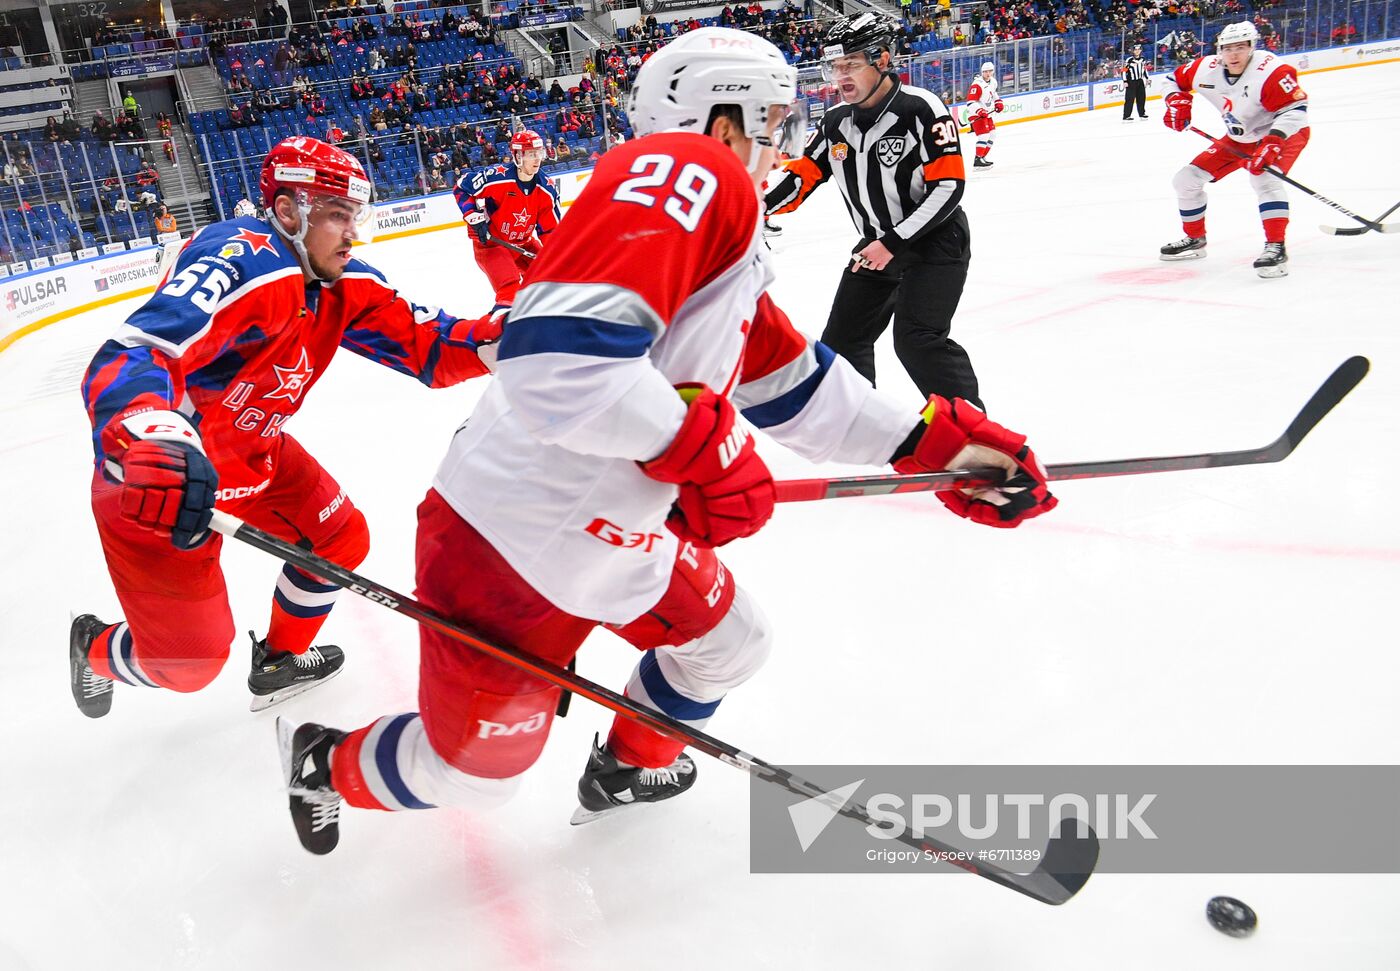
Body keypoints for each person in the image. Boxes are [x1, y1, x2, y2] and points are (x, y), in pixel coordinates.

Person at [275, 27, 1055, 856]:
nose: (780, 146)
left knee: (730, 643)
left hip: (617, 537)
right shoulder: (697, 170)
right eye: (771, 123)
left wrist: (933, 446)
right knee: (474, 775)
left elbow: (793, 384)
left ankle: (625, 765)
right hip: (510, 546)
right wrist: (704, 450)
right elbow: (557, 359)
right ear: (721, 122)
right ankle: (325, 760)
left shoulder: (717, 230)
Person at [72, 137, 502, 720]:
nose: (352, 232)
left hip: (255, 453)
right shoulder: (241, 258)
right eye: (335, 214)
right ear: (287, 210)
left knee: (341, 538)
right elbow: (136, 352)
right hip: (163, 484)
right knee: (187, 665)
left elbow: (430, 346)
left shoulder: (343, 281)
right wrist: (150, 432)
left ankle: (279, 658)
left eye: (355, 215)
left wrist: (514, 338)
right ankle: (95, 648)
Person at [766, 13, 982, 407]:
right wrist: (751, 210)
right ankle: (860, 424)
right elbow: (803, 178)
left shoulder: (921, 108)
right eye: (834, 67)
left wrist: (892, 243)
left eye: (851, 65)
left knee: (918, 341)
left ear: (882, 60)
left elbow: (950, 187)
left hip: (935, 242)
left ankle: (975, 436)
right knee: (842, 341)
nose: (840, 76)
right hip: (878, 246)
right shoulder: (835, 122)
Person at [1158, 21, 1309, 278]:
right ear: (1219, 50)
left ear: (1252, 47)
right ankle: (1195, 239)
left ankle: (1276, 247)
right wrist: (1175, 101)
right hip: (1239, 138)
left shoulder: (1272, 71)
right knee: (1185, 180)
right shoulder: (1206, 69)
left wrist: (1273, 141)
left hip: (1283, 134)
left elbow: (1295, 112)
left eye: (1241, 47)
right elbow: (1172, 80)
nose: (1234, 54)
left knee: (1264, 179)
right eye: (1228, 48)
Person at [452, 128, 561, 310]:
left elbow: (549, 230)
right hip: (492, 245)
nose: (537, 159)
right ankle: (502, 333)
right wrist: (473, 216)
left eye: (539, 153)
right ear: (518, 156)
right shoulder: (497, 177)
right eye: (531, 154)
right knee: (510, 293)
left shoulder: (547, 189)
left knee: (552, 283)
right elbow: (461, 187)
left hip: (523, 244)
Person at [965, 60, 1002, 168]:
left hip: (986, 114)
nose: (988, 73)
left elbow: (993, 93)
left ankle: (981, 157)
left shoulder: (993, 82)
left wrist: (998, 101)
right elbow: (970, 102)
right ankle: (978, 160)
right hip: (976, 113)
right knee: (984, 135)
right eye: (985, 71)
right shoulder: (977, 85)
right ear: (982, 72)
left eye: (990, 71)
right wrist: (979, 111)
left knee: (992, 134)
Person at [1121, 43, 1148, 121]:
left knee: (1142, 98)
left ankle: (1142, 114)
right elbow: (1123, 71)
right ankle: (1126, 116)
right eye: (1135, 50)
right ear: (1133, 51)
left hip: (1140, 81)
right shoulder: (1129, 60)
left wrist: (1147, 78)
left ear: (1141, 50)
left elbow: (1144, 69)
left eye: (1138, 50)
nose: (1137, 51)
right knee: (1129, 99)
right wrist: (1125, 81)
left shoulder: (1143, 59)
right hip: (1131, 82)